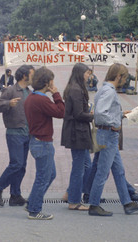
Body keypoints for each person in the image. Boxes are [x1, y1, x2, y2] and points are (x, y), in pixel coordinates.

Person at [88, 63, 138, 216]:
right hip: (108, 135)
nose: (125, 81)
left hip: (107, 135)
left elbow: (101, 112)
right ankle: (94, 204)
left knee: (118, 171)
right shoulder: (109, 91)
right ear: (119, 76)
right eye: (125, 78)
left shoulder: (105, 89)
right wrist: (114, 123)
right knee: (103, 172)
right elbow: (100, 113)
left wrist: (120, 115)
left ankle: (127, 203)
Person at [0, 65, 34, 207]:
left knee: (22, 166)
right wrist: (9, 103)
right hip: (14, 132)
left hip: (27, 133)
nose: (34, 77)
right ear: (24, 76)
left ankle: (15, 195)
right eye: (32, 74)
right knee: (16, 164)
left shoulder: (29, 91)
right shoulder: (10, 90)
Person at [24, 67, 65, 220]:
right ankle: (34, 209)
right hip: (42, 142)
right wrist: (56, 94)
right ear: (47, 82)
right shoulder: (41, 99)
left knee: (50, 174)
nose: (53, 84)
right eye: (52, 81)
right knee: (43, 176)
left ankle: (32, 201)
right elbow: (61, 112)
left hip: (37, 140)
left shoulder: (31, 97)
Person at [61, 63, 93, 211]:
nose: (89, 76)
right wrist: (93, 115)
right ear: (80, 73)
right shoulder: (76, 90)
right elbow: (78, 114)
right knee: (79, 167)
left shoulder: (75, 88)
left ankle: (71, 193)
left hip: (78, 131)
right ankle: (74, 200)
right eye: (87, 73)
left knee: (86, 165)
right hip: (77, 133)